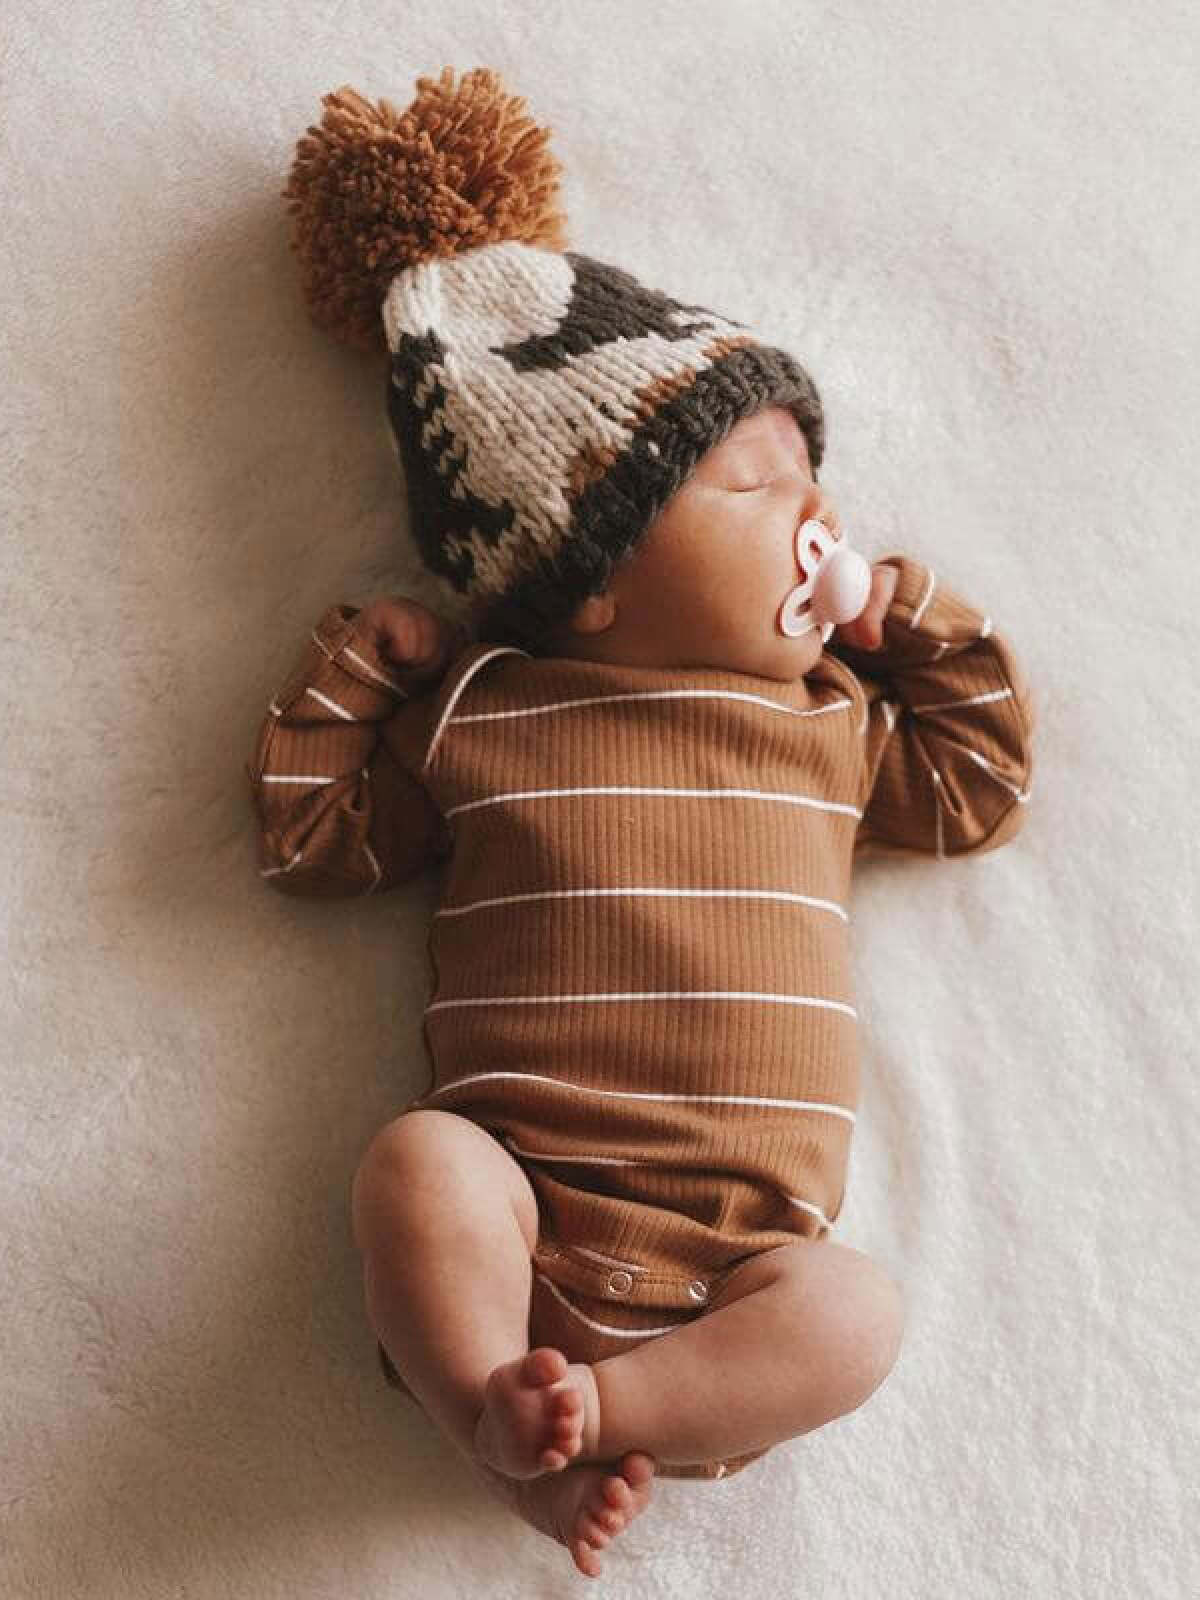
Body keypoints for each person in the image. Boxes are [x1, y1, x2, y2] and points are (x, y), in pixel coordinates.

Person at [247, 68, 1036, 1578]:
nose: (818, 519)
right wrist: (361, 670)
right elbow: (313, 840)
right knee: (415, 1166)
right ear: (593, 584)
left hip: (745, 1281)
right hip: (516, 1209)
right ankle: (498, 1400)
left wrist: (897, 612)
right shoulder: (492, 709)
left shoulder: (830, 724)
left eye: (818, 477)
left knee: (858, 1315)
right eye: (760, 484)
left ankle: (590, 1413)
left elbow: (981, 785)